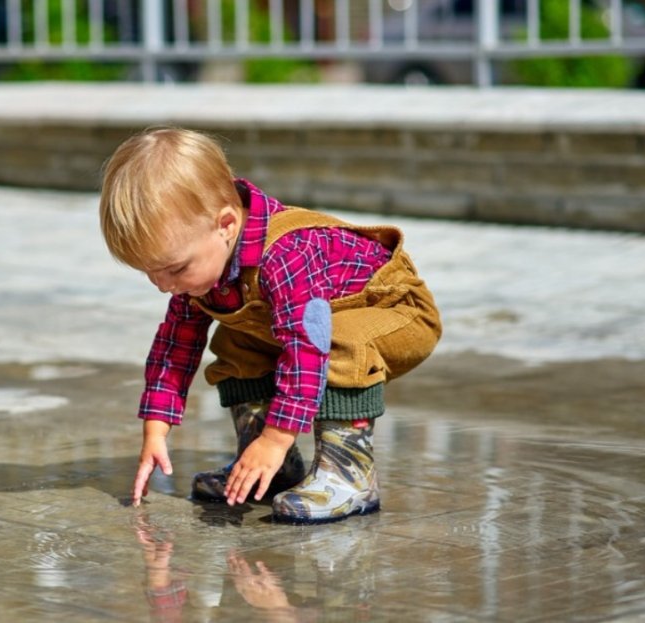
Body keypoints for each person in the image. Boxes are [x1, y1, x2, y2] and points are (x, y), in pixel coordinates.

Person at [98, 127, 441, 523]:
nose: (163, 286)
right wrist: (155, 430)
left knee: (341, 341)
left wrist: (277, 438)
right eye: (150, 273)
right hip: (320, 322)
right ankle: (269, 469)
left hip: (396, 312)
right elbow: (175, 347)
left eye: (175, 268)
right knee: (235, 342)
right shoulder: (203, 270)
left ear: (225, 224)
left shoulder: (285, 257)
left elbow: (307, 348)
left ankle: (348, 476)